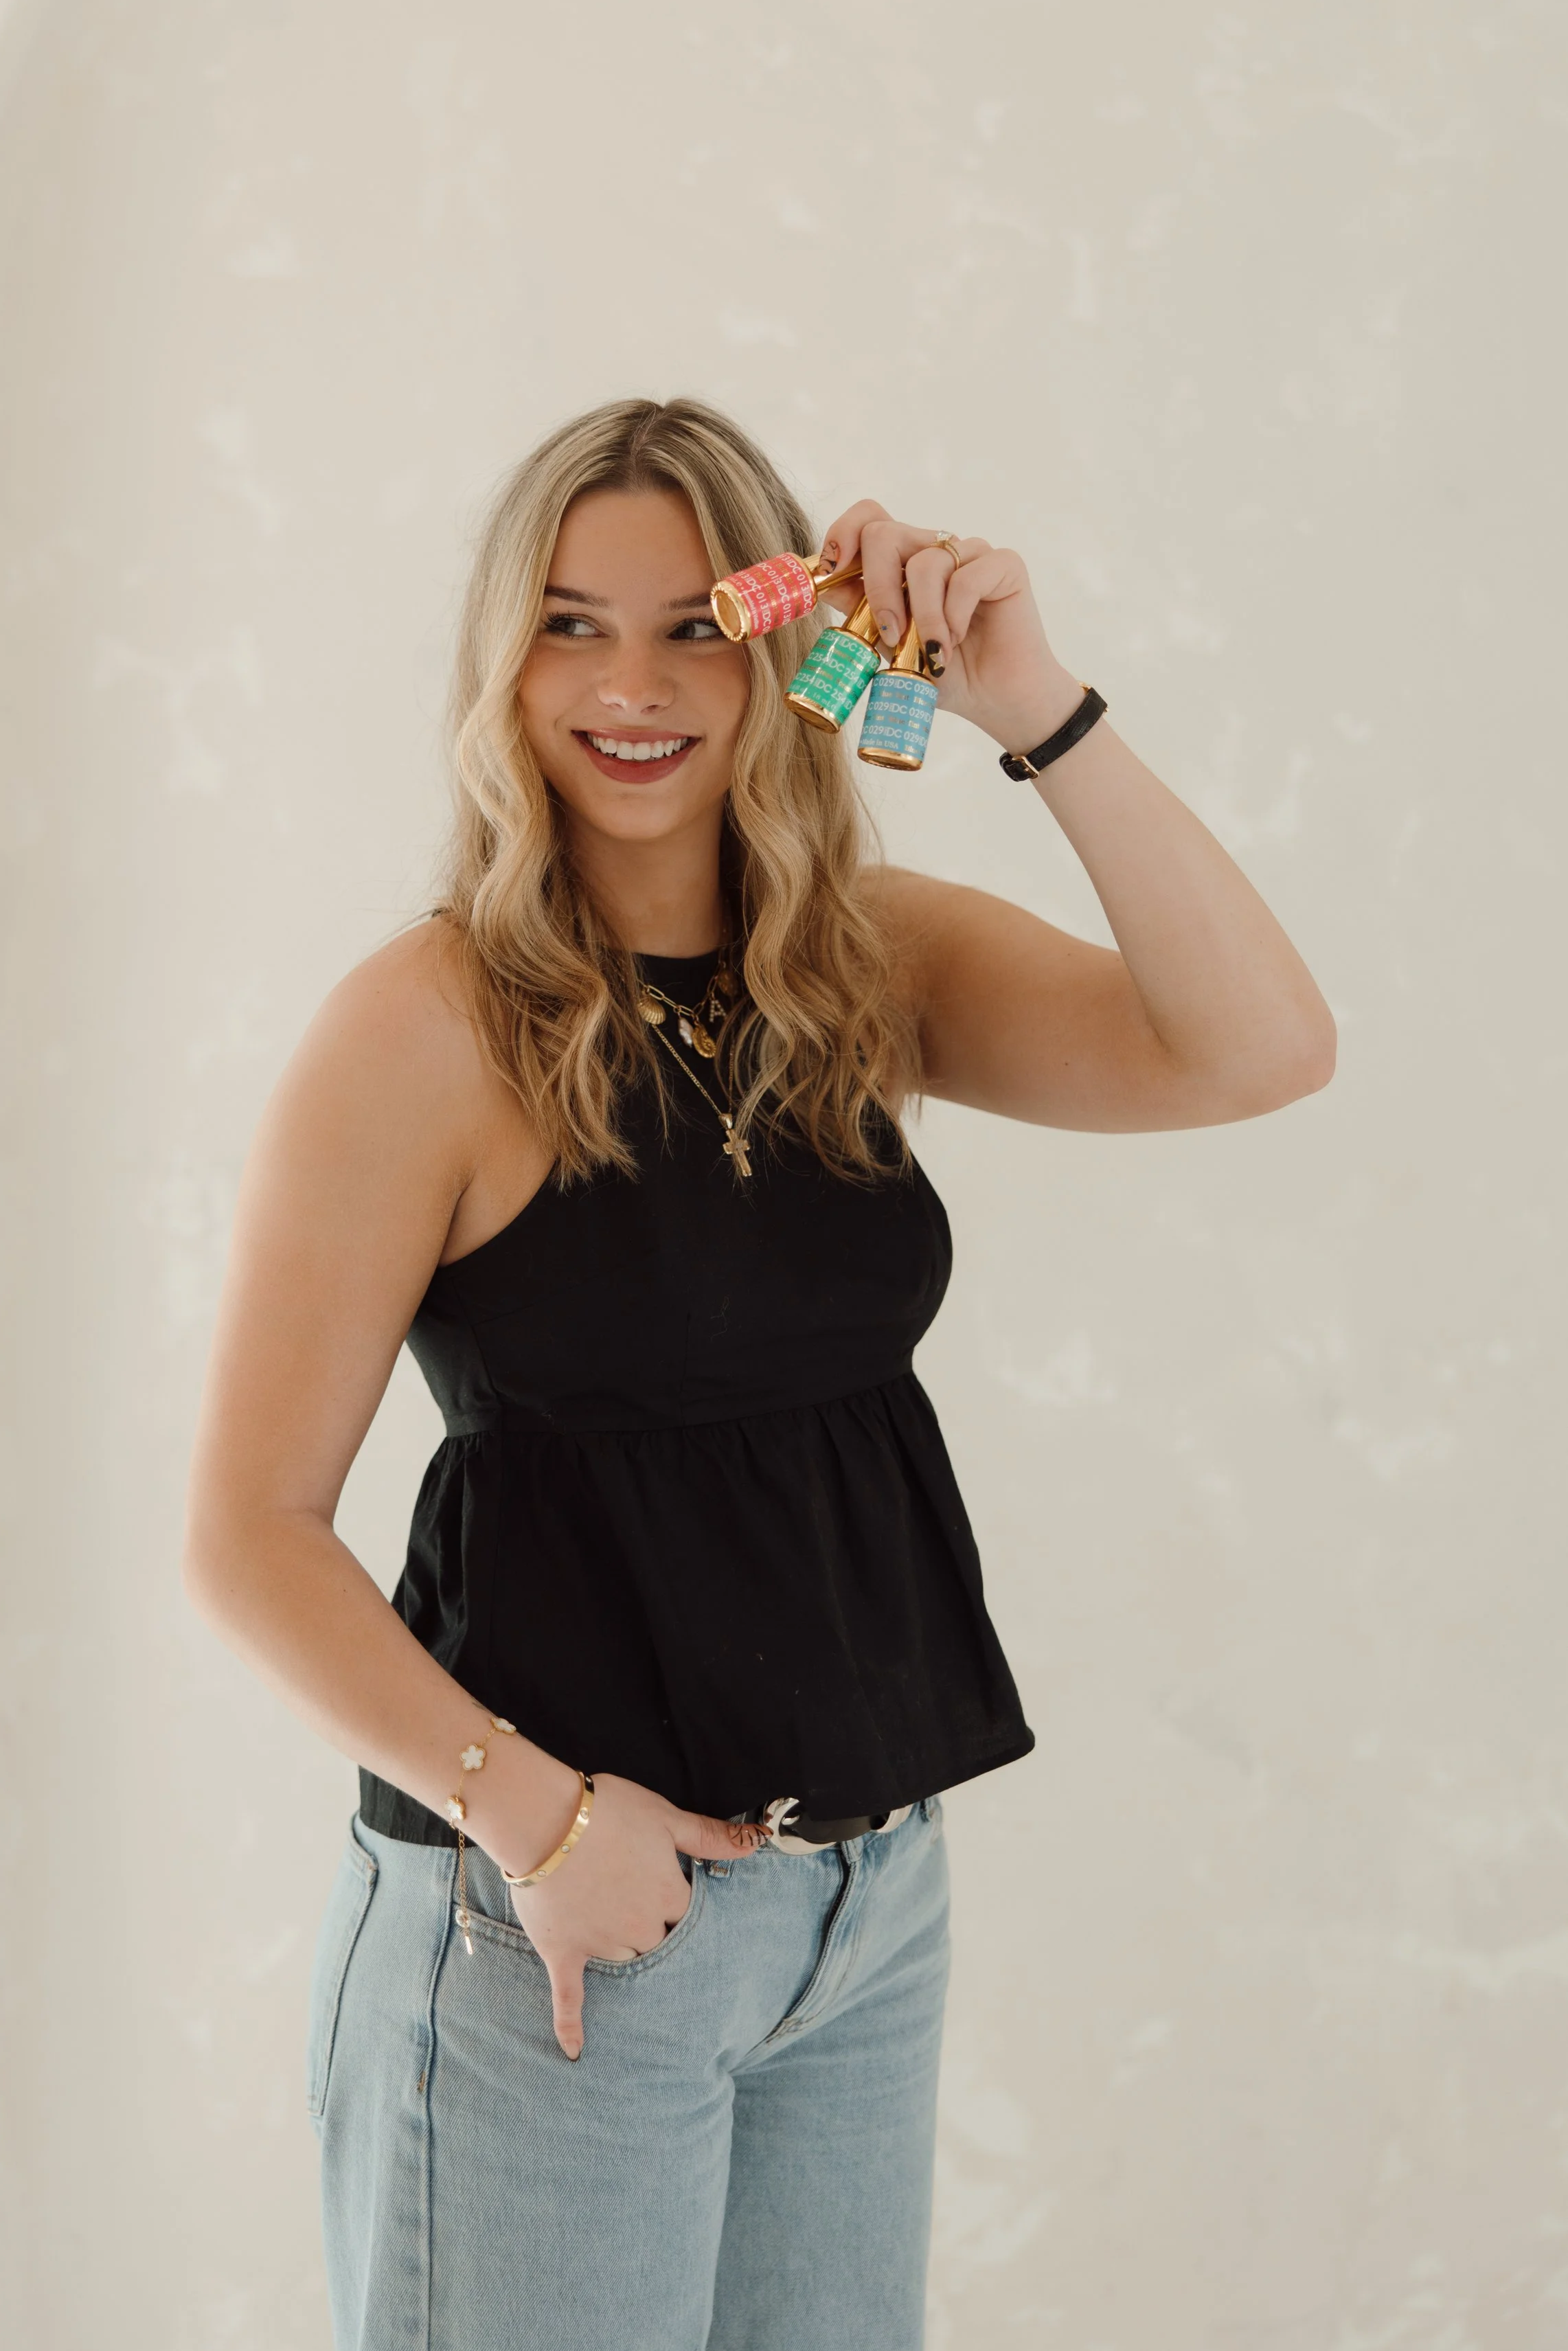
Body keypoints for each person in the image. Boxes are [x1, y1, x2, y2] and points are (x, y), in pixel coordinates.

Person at [181, 395, 1335, 2351]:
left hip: (863, 1908)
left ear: (786, 643)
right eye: (567, 622)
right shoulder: (429, 1026)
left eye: (692, 625)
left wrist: (1031, 706)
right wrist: (537, 1819)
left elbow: (1256, 1047)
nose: (631, 684)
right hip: (556, 1922)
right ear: (500, 656)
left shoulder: (858, 968)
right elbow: (248, 1532)